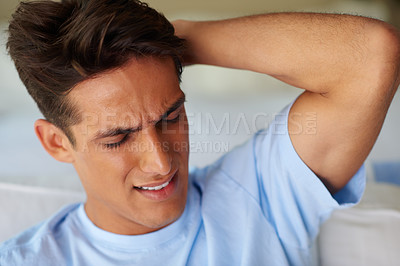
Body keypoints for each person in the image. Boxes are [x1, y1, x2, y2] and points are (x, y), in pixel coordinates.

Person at [1, 0, 399, 265]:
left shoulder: (257, 196)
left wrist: (176, 40)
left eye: (171, 116)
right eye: (118, 138)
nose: (160, 163)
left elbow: (371, 55)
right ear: (56, 142)